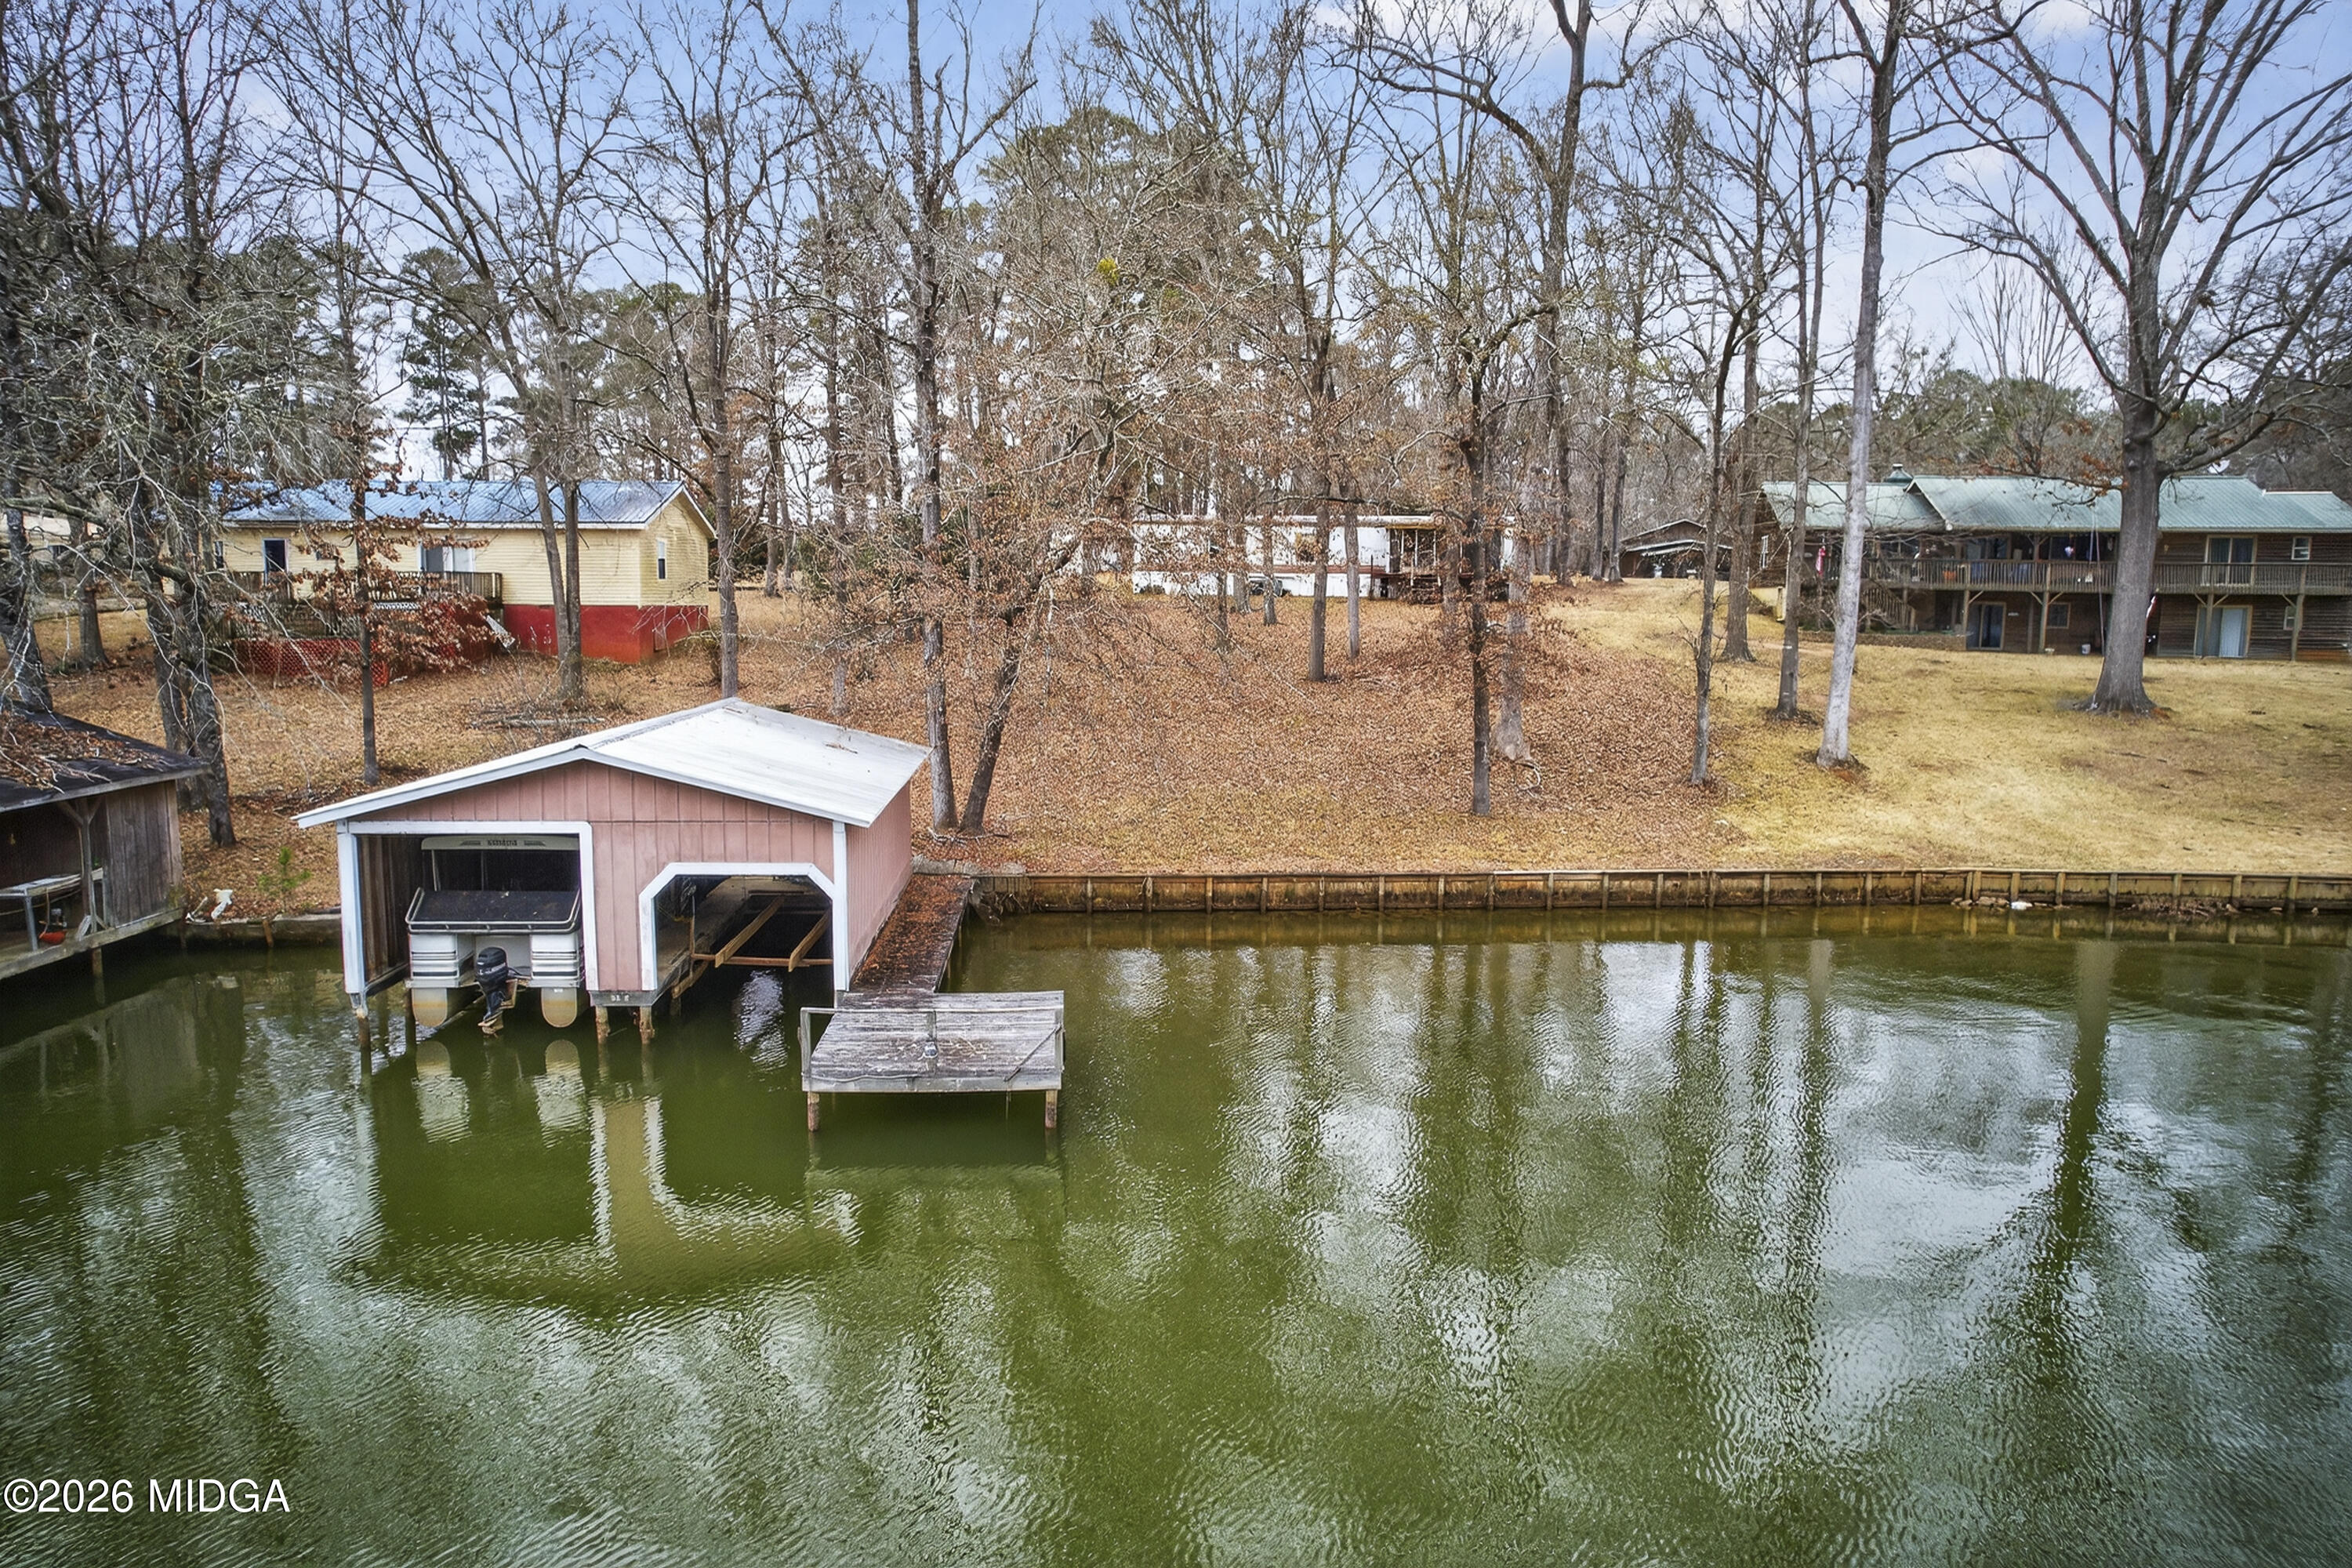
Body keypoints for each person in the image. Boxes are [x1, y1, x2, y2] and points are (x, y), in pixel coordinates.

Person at [477, 945, 518, 1035]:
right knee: (496, 996)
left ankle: (492, 1018)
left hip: (491, 985)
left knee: (493, 996)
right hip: (495, 987)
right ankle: (492, 1019)